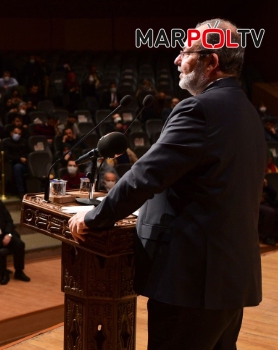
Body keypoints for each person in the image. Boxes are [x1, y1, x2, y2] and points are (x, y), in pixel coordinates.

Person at [68, 19, 264, 350]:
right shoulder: (247, 111)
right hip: (230, 280)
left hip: (191, 283)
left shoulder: (199, 110)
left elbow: (146, 175)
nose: (176, 59)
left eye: (186, 52)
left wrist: (94, 217)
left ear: (211, 62)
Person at [2, 127, 30, 196]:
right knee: (17, 167)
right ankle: (21, 191)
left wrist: (26, 158)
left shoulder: (24, 141)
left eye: (19, 134)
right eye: (15, 133)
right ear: (11, 133)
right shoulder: (6, 142)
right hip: (14, 163)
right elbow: (7, 156)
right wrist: (19, 158)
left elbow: (28, 152)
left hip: (26, 163)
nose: (17, 135)